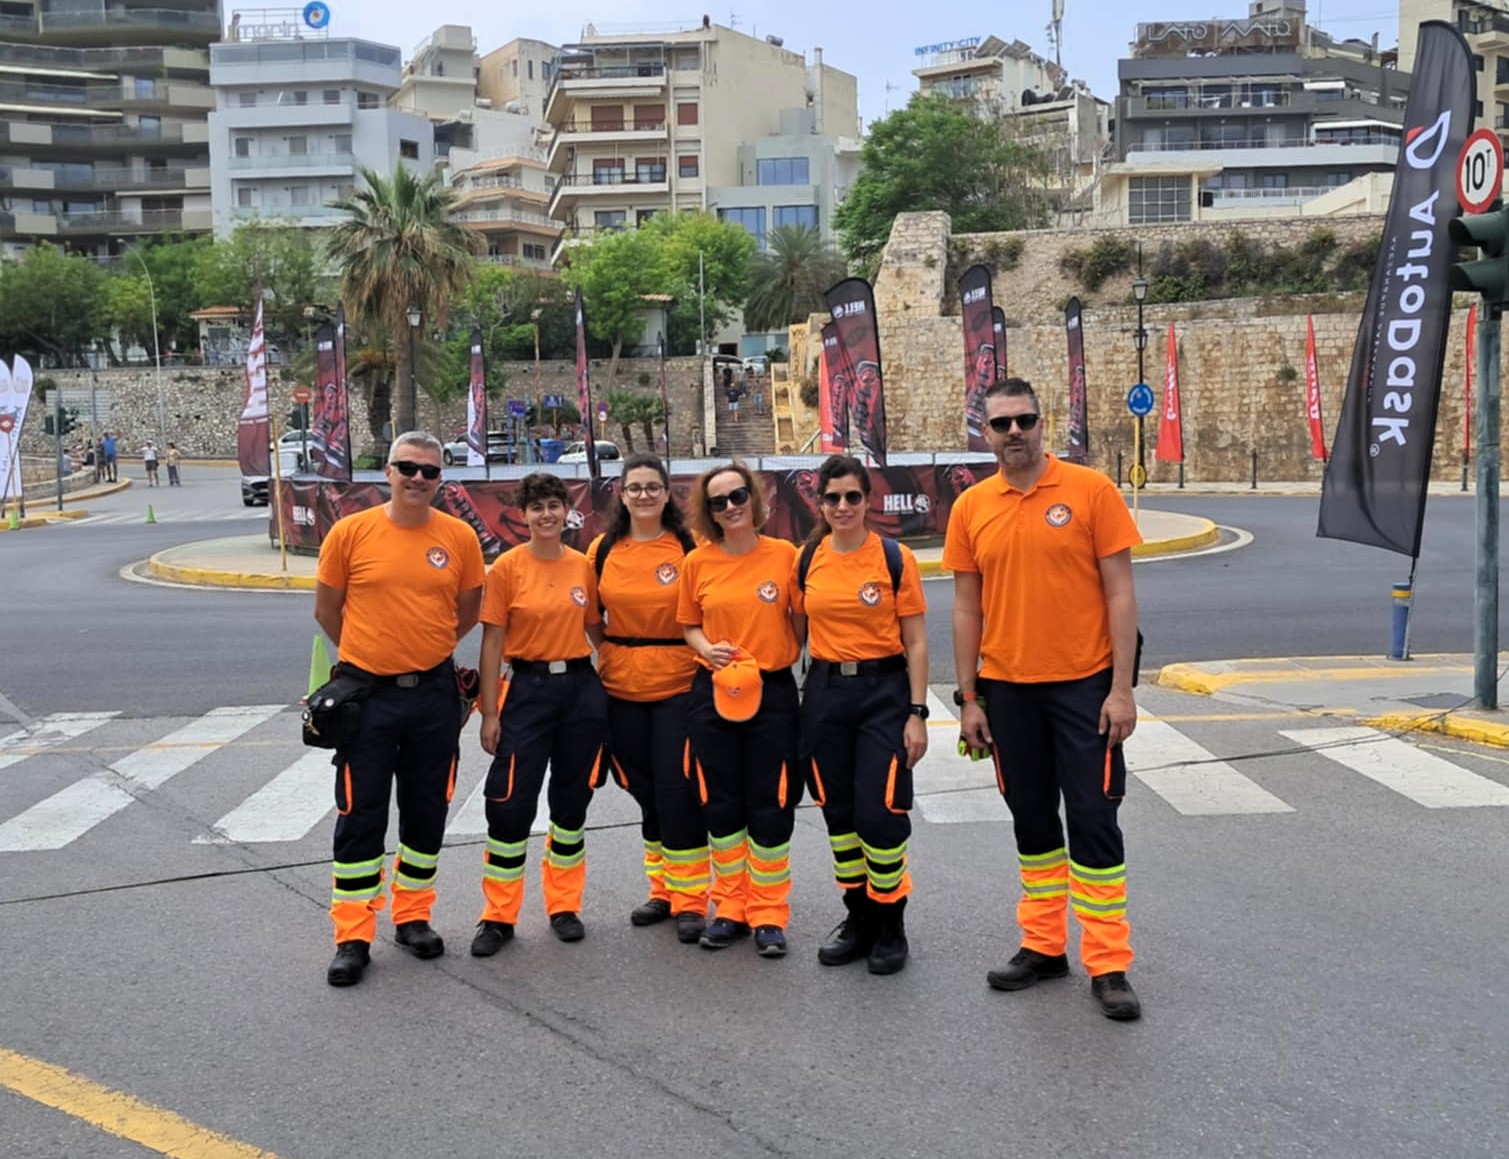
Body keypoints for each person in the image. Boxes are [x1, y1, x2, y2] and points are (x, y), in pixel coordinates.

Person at [943, 378, 1144, 1021]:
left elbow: (1120, 593)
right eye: (1001, 424)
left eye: (1024, 420)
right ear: (985, 432)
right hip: (1007, 691)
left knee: (1093, 819)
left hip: (1084, 687)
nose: (1014, 433)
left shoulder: (1091, 491)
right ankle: (1044, 945)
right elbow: (966, 608)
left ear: (1042, 423)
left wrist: (1121, 689)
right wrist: (969, 699)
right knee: (1031, 821)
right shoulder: (971, 507)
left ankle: (1108, 963)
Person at [314, 432, 485, 987]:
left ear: (441, 479)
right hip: (367, 696)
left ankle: (413, 917)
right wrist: (369, 656)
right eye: (407, 467)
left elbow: (465, 612)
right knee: (360, 814)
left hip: (433, 696)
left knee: (427, 809)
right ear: (387, 471)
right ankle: (353, 935)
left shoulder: (458, 537)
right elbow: (328, 610)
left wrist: (424, 651)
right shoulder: (350, 532)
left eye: (429, 471)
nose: (417, 478)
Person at [790, 454, 928, 975]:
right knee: (839, 816)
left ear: (868, 500)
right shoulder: (807, 560)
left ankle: (891, 922)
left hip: (883, 694)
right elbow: (792, 634)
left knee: (880, 813)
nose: (842, 506)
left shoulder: (893, 559)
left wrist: (917, 713)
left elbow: (917, 642)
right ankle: (859, 917)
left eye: (852, 496)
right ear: (820, 504)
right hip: (825, 694)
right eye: (832, 498)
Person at [472, 472, 608, 956]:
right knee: (510, 805)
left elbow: (596, 630)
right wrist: (490, 712)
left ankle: (564, 906)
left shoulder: (581, 566)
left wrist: (616, 676)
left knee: (571, 804)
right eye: (537, 507)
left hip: (579, 692)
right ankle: (498, 915)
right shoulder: (507, 568)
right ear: (524, 515)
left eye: (554, 505)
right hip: (527, 691)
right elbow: (492, 643)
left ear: (566, 512)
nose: (546, 515)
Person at [677, 463, 802, 957]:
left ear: (754, 498)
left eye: (737, 496)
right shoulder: (697, 563)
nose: (730, 507)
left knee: (771, 802)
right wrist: (706, 649)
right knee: (721, 802)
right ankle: (730, 907)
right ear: (708, 512)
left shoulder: (785, 556)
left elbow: (800, 623)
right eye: (718, 502)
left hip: (771, 695)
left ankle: (769, 912)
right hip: (713, 693)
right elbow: (689, 625)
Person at [587, 453, 709, 944]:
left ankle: (691, 899)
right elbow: (593, 619)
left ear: (666, 492)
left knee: (678, 791)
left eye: (652, 487)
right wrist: (618, 653)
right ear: (621, 494)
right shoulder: (602, 550)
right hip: (620, 688)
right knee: (644, 790)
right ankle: (662, 890)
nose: (643, 495)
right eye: (634, 487)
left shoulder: (689, 545)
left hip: (679, 686)